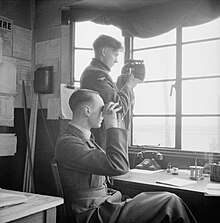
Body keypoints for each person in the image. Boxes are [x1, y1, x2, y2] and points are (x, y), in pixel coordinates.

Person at [54, 89, 197, 223]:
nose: (104, 115)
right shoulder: (69, 143)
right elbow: (118, 166)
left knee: (166, 202)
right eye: (101, 109)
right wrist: (112, 126)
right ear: (87, 111)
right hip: (91, 213)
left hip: (104, 203)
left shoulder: (83, 139)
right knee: (170, 201)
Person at [80, 34, 142, 149]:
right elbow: (118, 109)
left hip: (101, 136)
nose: (117, 60)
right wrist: (128, 86)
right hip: (104, 139)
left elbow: (110, 99)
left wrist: (120, 84)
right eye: (115, 54)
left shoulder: (94, 72)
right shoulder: (97, 75)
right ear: (104, 51)